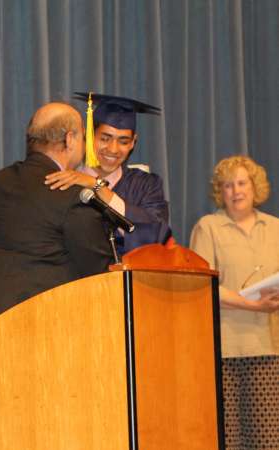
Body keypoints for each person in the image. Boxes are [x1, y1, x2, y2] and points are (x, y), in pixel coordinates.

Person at [0, 102, 113, 450]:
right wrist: (98, 193)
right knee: (29, 437)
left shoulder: (2, 180)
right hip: (19, 332)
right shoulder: (74, 195)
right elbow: (99, 274)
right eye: (82, 136)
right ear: (69, 139)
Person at [189, 155, 279, 449]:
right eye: (228, 185)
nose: (236, 191)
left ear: (255, 187)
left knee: (268, 439)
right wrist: (252, 305)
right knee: (228, 438)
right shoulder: (208, 227)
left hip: (269, 346)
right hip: (223, 349)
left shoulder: (275, 228)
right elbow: (203, 284)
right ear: (220, 191)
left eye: (242, 183)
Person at [45, 92, 171, 255]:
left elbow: (157, 237)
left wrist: (97, 187)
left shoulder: (146, 185)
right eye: (105, 138)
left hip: (129, 278)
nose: (113, 149)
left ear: (134, 142)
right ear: (89, 136)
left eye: (123, 141)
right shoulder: (65, 180)